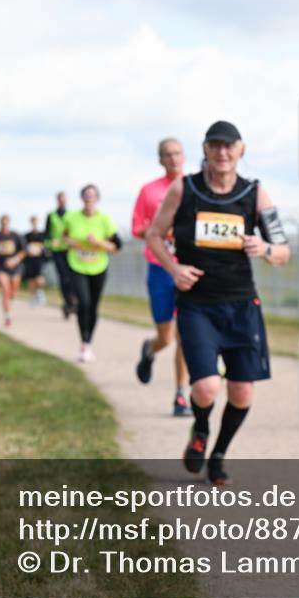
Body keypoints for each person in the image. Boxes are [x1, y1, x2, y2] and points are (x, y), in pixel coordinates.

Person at [146, 120, 290, 485]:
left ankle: (219, 453)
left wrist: (266, 248)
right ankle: (200, 428)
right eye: (215, 145)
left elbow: (284, 251)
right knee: (207, 386)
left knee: (241, 391)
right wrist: (173, 267)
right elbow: (153, 234)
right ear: (206, 149)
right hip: (197, 304)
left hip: (242, 304)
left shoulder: (255, 194)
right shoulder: (185, 188)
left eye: (230, 146)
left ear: (241, 150)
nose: (223, 153)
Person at [132, 137, 191, 416]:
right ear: (160, 159)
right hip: (160, 267)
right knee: (165, 338)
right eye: (168, 155)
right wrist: (160, 232)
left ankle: (181, 395)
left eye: (178, 153)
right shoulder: (149, 191)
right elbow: (138, 228)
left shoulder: (193, 187)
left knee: (184, 334)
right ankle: (149, 350)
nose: (174, 159)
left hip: (188, 266)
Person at [63, 184, 121, 362]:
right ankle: (84, 342)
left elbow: (115, 247)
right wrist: (71, 242)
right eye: (86, 195)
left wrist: (97, 242)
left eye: (92, 195)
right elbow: (64, 236)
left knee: (94, 305)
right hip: (77, 265)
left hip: (98, 266)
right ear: (82, 198)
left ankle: (88, 342)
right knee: (84, 303)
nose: (89, 198)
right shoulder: (71, 217)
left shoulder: (105, 220)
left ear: (97, 198)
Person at [0, 215, 26, 327]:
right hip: (1, 267)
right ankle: (8, 316)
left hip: (15, 267)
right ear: (0, 224)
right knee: (5, 290)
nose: (4, 226)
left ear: (9, 224)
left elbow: (24, 251)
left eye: (6, 223)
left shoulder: (16, 236)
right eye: (2, 223)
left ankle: (10, 300)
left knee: (13, 293)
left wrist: (14, 260)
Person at [47, 192, 78, 319]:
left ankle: (73, 301)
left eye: (64, 200)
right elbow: (47, 234)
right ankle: (67, 302)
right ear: (57, 201)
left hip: (70, 250)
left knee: (73, 277)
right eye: (60, 200)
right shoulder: (52, 215)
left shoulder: (72, 215)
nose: (62, 202)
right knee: (63, 278)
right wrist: (49, 243)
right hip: (57, 251)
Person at [23, 215, 48, 306]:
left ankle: (40, 293)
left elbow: (47, 246)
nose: (34, 223)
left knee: (39, 278)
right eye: (33, 221)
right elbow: (24, 248)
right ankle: (34, 297)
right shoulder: (27, 236)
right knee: (31, 280)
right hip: (29, 260)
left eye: (35, 221)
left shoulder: (43, 235)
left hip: (39, 260)